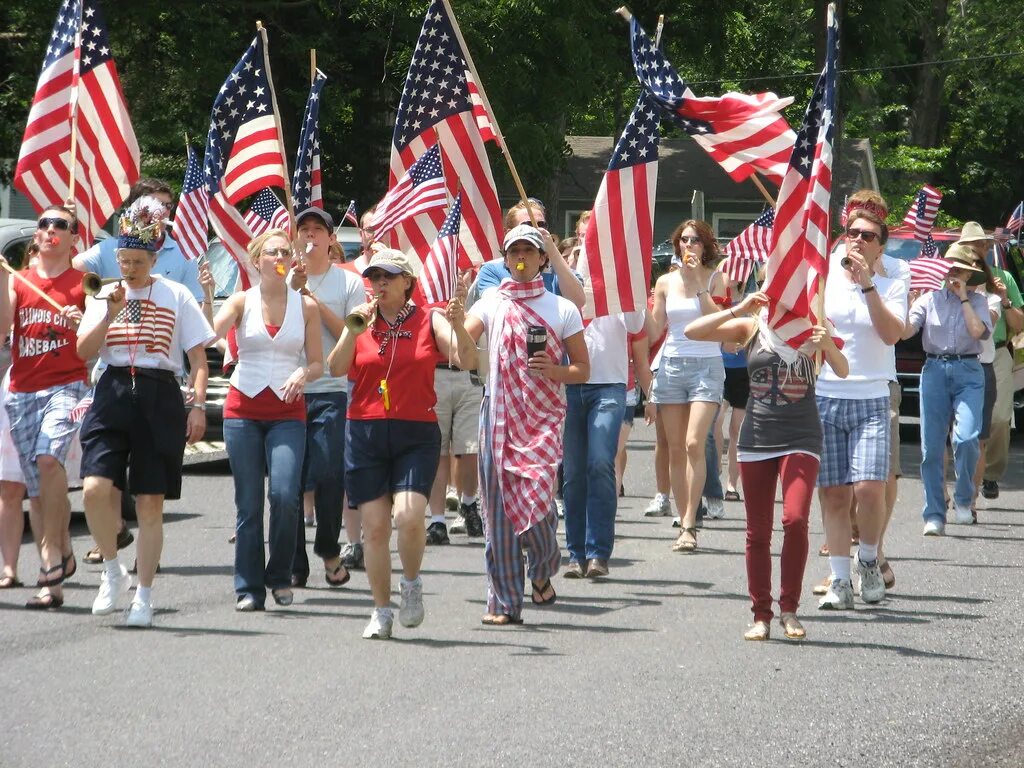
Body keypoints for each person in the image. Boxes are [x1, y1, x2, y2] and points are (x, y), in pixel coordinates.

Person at [76, 196, 215, 627]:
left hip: (160, 391)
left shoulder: (176, 294)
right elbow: (84, 352)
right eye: (125, 260)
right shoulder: (103, 294)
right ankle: (113, 570)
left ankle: (145, 594)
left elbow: (198, 358)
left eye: (138, 260)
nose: (131, 268)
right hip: (114, 386)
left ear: (154, 258)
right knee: (95, 487)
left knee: (150, 500)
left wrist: (197, 406)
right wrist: (108, 314)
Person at [327, 248, 476, 640]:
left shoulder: (429, 319)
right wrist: (352, 328)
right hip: (365, 430)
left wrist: (459, 326)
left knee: (409, 518)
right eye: (375, 277)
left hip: (415, 430)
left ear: (407, 283)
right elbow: (336, 367)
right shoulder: (361, 319)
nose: (380, 284)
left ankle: (410, 584)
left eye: (389, 277)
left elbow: (466, 359)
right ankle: (380, 610)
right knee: (375, 530)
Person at [685, 291, 848, 640]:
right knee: (757, 532)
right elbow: (693, 332)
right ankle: (761, 615)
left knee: (795, 518)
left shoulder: (815, 323)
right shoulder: (752, 326)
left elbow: (843, 369)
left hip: (802, 437)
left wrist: (828, 345)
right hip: (756, 439)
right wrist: (738, 308)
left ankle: (789, 609)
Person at [464, 224, 589, 624]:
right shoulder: (489, 302)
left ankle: (543, 564)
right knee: (498, 511)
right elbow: (463, 353)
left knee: (538, 504)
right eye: (513, 250)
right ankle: (502, 600)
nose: (520, 256)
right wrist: (453, 322)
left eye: (528, 250)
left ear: (541, 259)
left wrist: (555, 369)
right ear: (505, 259)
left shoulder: (562, 308)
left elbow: (583, 369)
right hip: (498, 415)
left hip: (543, 419)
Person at [214, 228, 324, 610]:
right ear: (256, 260)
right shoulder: (241, 300)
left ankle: (279, 575)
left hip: (287, 412)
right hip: (242, 409)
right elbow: (210, 333)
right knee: (249, 503)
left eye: (285, 252)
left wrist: (303, 373)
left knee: (284, 495)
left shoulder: (305, 306)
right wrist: (208, 300)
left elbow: (317, 361)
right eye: (271, 252)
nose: (279, 257)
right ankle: (248, 588)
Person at [814, 208, 908, 610]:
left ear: (880, 246)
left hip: (872, 395)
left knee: (870, 488)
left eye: (867, 236)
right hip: (827, 394)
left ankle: (868, 560)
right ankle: (839, 579)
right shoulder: (824, 275)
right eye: (851, 232)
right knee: (834, 495)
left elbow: (891, 334)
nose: (857, 239)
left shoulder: (893, 279)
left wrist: (868, 284)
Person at [0, 206, 88, 609]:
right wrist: (3, 282)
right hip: (21, 390)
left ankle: (50, 561)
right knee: (37, 487)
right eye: (44, 224)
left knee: (49, 460)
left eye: (61, 225)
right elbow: (3, 331)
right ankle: (56, 565)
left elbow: (97, 341)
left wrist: (81, 323)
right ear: (36, 237)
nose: (51, 230)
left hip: (67, 387)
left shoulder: (83, 283)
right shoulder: (20, 282)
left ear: (74, 238)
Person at [286, 208, 364, 589]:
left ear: (332, 239)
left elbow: (353, 334)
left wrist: (310, 298)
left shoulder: (348, 284)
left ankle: (329, 548)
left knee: (331, 473)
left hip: (332, 390)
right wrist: (292, 289)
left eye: (318, 230)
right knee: (290, 481)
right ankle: (295, 561)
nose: (311, 236)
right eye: (304, 230)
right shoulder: (281, 279)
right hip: (289, 390)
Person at [647, 220, 727, 552]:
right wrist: (637, 306)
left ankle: (692, 519)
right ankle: (684, 519)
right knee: (676, 448)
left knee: (696, 442)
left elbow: (719, 320)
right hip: (672, 365)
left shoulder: (715, 276)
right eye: (683, 239)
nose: (688, 245)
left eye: (695, 240)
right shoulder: (664, 281)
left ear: (705, 245)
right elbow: (653, 331)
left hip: (707, 365)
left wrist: (698, 283)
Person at [902, 244, 992, 535]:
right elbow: (905, 332)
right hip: (935, 370)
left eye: (960, 269)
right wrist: (904, 304)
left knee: (966, 438)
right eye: (950, 267)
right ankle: (935, 514)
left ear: (969, 273)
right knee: (930, 447)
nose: (954, 272)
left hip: (968, 369)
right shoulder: (928, 300)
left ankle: (964, 499)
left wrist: (963, 296)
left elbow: (978, 332)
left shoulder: (978, 301)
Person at [561, 310, 644, 579]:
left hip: (610, 386)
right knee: (572, 474)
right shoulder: (568, 280)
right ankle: (576, 554)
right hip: (570, 385)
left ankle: (597, 552)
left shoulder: (619, 287)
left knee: (599, 462)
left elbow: (637, 323)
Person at [953, 223, 1024, 499]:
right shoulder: (952, 278)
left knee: (998, 418)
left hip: (997, 353)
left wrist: (1004, 299)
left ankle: (991, 475)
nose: (975, 250)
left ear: (986, 249)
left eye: (980, 245)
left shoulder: (1002, 278)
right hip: (960, 355)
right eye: (970, 246)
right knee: (959, 425)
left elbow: (1019, 325)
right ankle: (966, 478)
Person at [476, 199, 585, 310]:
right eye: (528, 225)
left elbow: (578, 302)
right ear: (508, 233)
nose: (536, 231)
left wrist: (552, 250)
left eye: (541, 225)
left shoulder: (560, 270)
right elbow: (491, 308)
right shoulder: (491, 270)